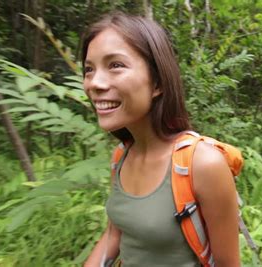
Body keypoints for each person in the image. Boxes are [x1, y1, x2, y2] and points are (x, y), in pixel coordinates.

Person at [82, 12, 240, 266]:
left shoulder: (203, 164)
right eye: (89, 69)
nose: (95, 83)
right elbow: (114, 234)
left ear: (157, 82)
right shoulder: (122, 156)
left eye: (115, 65)